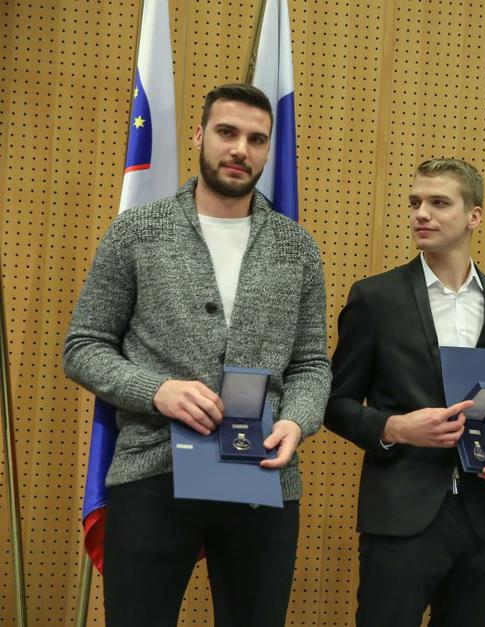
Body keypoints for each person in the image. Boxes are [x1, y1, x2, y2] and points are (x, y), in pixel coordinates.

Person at [63, 83, 330, 627]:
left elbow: (311, 365)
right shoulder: (138, 231)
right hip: (152, 469)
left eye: (257, 139)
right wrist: (156, 390)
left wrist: (297, 422)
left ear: (268, 150)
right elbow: (83, 346)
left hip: (263, 474)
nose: (240, 150)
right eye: (227, 132)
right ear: (199, 135)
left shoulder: (297, 247)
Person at [325, 158, 485, 627]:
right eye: (415, 203)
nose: (421, 214)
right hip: (400, 518)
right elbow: (335, 404)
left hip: (482, 518)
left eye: (438, 203)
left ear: (474, 215)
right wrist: (394, 427)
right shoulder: (375, 298)